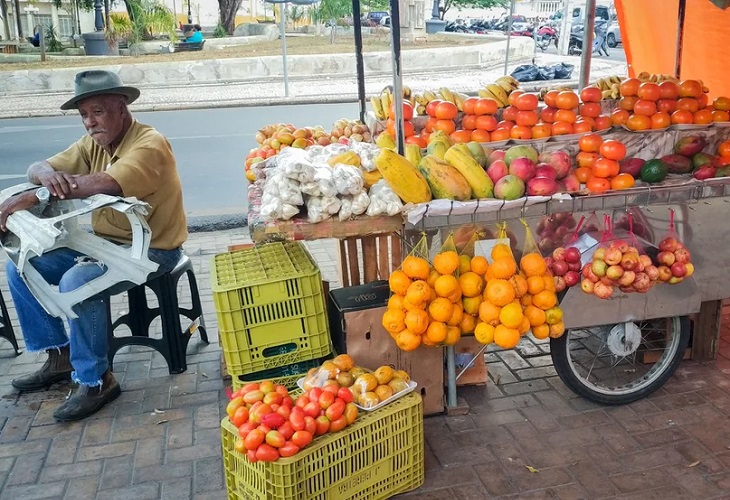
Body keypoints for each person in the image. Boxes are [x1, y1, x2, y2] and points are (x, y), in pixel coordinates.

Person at [0, 70, 188, 422]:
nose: (89, 122)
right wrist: (45, 177)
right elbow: (38, 166)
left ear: (121, 107)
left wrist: (37, 194)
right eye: (84, 115)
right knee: (21, 266)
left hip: (153, 251)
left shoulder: (150, 144)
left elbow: (105, 183)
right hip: (104, 245)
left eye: (97, 111)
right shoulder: (95, 144)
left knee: (77, 282)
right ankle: (61, 355)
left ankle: (97, 379)